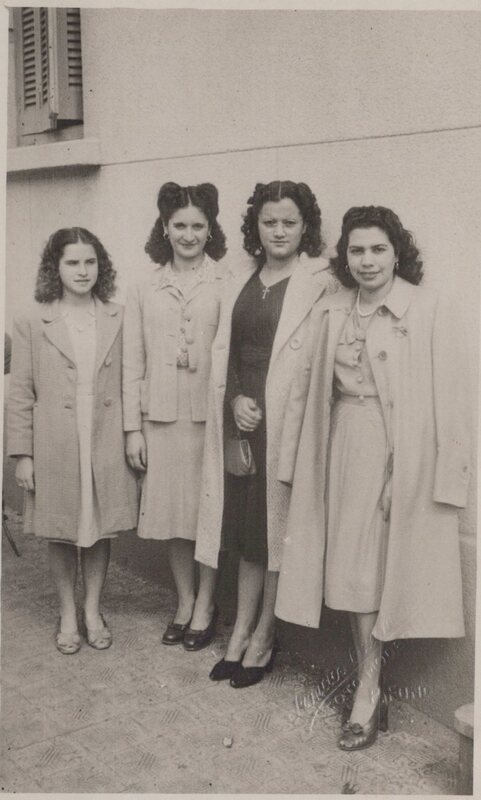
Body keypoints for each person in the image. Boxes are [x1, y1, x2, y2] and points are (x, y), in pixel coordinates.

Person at [276, 206, 470, 749]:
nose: (367, 261)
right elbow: (304, 393)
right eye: (357, 250)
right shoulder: (331, 310)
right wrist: (293, 466)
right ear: (346, 256)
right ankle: (369, 682)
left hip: (402, 456)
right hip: (341, 449)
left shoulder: (429, 309)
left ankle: (368, 689)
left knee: (379, 572)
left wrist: (439, 480)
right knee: (353, 575)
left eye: (378, 249)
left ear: (396, 253)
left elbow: (453, 402)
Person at [194, 180, 338, 687]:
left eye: (289, 223)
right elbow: (229, 350)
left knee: (276, 529)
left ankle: (264, 634)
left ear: (305, 227)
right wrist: (235, 398)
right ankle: (240, 630)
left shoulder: (321, 281)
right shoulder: (239, 276)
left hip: (287, 421)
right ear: (255, 225)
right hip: (242, 417)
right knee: (244, 529)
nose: (279, 231)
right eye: (269, 222)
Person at [8, 227, 138, 654]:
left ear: (101, 266)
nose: (82, 271)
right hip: (56, 442)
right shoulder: (33, 321)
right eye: (72, 263)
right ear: (55, 267)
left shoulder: (119, 316)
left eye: (90, 262)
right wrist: (23, 454)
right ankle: (67, 613)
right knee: (62, 530)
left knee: (99, 528)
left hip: (103, 435)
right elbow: (21, 392)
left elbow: (131, 379)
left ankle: (92, 610)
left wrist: (131, 432)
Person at [123, 182, 227, 650]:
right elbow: (133, 360)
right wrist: (133, 428)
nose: (188, 235)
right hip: (161, 418)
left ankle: (206, 602)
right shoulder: (144, 286)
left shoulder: (226, 282)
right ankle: (184, 601)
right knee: (172, 515)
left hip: (209, 417)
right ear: (164, 228)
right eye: (179, 225)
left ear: (210, 229)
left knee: (206, 512)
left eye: (197, 226)